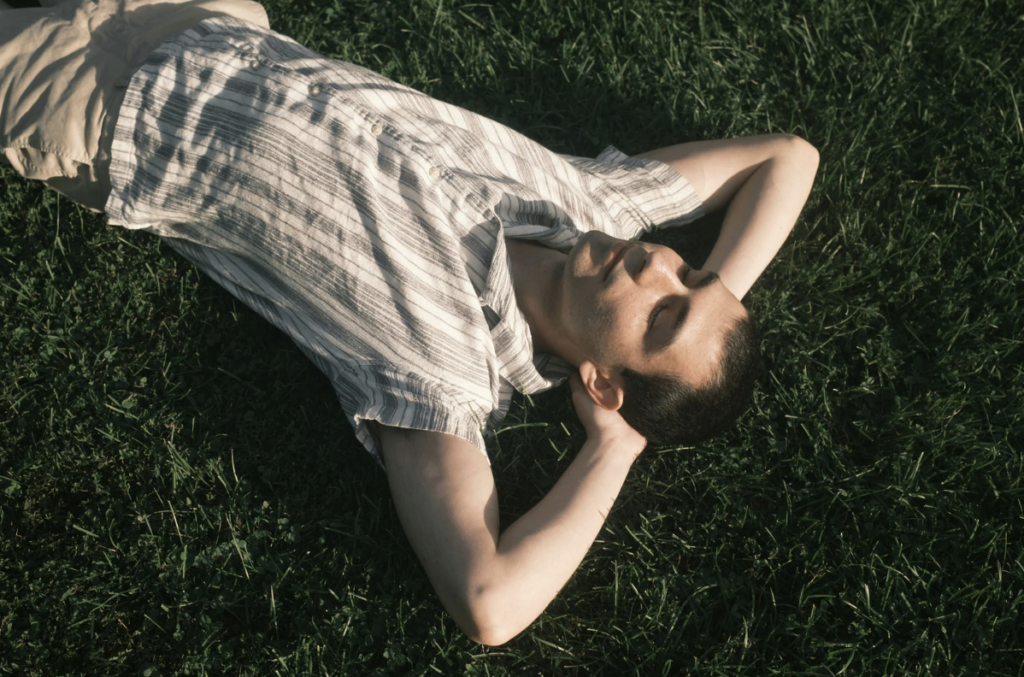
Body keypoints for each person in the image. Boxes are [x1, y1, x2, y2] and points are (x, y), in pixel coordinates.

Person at [0, 0, 819, 645]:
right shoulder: (597, 206)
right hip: (218, 23)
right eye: (691, 269)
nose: (657, 264)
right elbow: (790, 159)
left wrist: (617, 444)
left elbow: (492, 604)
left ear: (602, 381)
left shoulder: (443, 376)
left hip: (99, 105)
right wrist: (712, 311)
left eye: (663, 313)